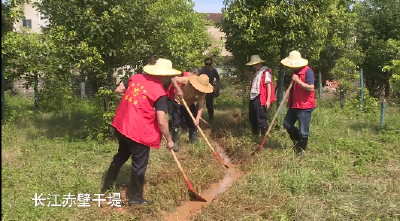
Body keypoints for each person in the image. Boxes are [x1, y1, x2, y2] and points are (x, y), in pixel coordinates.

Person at [101, 58, 181, 205]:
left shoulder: (136, 78)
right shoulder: (160, 92)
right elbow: (162, 121)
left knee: (122, 154)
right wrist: (170, 140)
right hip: (138, 131)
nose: (168, 79)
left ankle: (105, 188)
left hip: (121, 125)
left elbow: (118, 89)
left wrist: (132, 100)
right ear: (163, 76)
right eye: (168, 76)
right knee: (139, 164)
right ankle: (135, 198)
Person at [281, 50, 316, 157]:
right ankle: (297, 143)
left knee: (303, 131)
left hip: (304, 106)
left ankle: (301, 150)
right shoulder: (295, 72)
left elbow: (311, 88)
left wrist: (298, 81)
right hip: (294, 105)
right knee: (287, 124)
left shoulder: (308, 72)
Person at [169, 73, 214, 152]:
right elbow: (173, 79)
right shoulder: (187, 80)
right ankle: (174, 143)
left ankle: (193, 140)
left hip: (189, 104)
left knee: (193, 123)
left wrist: (197, 118)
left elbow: (201, 105)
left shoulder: (203, 93)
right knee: (176, 122)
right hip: (178, 102)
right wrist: (178, 88)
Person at [244, 55, 276, 140]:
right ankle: (255, 136)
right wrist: (248, 75)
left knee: (261, 117)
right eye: (253, 65)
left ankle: (263, 138)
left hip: (260, 98)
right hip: (253, 97)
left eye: (256, 64)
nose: (254, 66)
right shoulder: (257, 73)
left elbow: (268, 85)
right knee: (253, 117)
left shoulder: (266, 72)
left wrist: (268, 100)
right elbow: (254, 83)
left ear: (260, 63)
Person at [167, 68, 199, 135]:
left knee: (190, 115)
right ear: (193, 73)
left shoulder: (190, 80)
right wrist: (178, 89)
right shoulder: (183, 75)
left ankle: (189, 132)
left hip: (183, 100)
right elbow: (173, 80)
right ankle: (171, 132)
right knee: (174, 117)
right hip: (172, 98)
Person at [199, 58, 220, 125]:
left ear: (211, 64)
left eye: (209, 64)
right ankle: (197, 119)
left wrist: (215, 88)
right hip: (202, 90)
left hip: (210, 90)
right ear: (204, 64)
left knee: (210, 106)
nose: (208, 65)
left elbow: (218, 79)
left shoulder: (214, 71)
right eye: (206, 64)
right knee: (199, 105)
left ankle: (211, 120)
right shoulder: (201, 70)